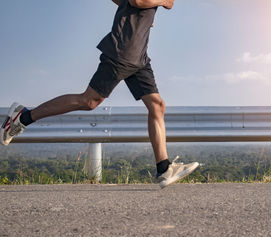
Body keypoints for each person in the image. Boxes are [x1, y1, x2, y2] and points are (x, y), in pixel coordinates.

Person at [0, 0, 199, 189]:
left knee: (157, 105)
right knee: (89, 100)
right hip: (123, 52)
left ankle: (164, 169)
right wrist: (163, 2)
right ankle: (23, 116)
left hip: (138, 56)